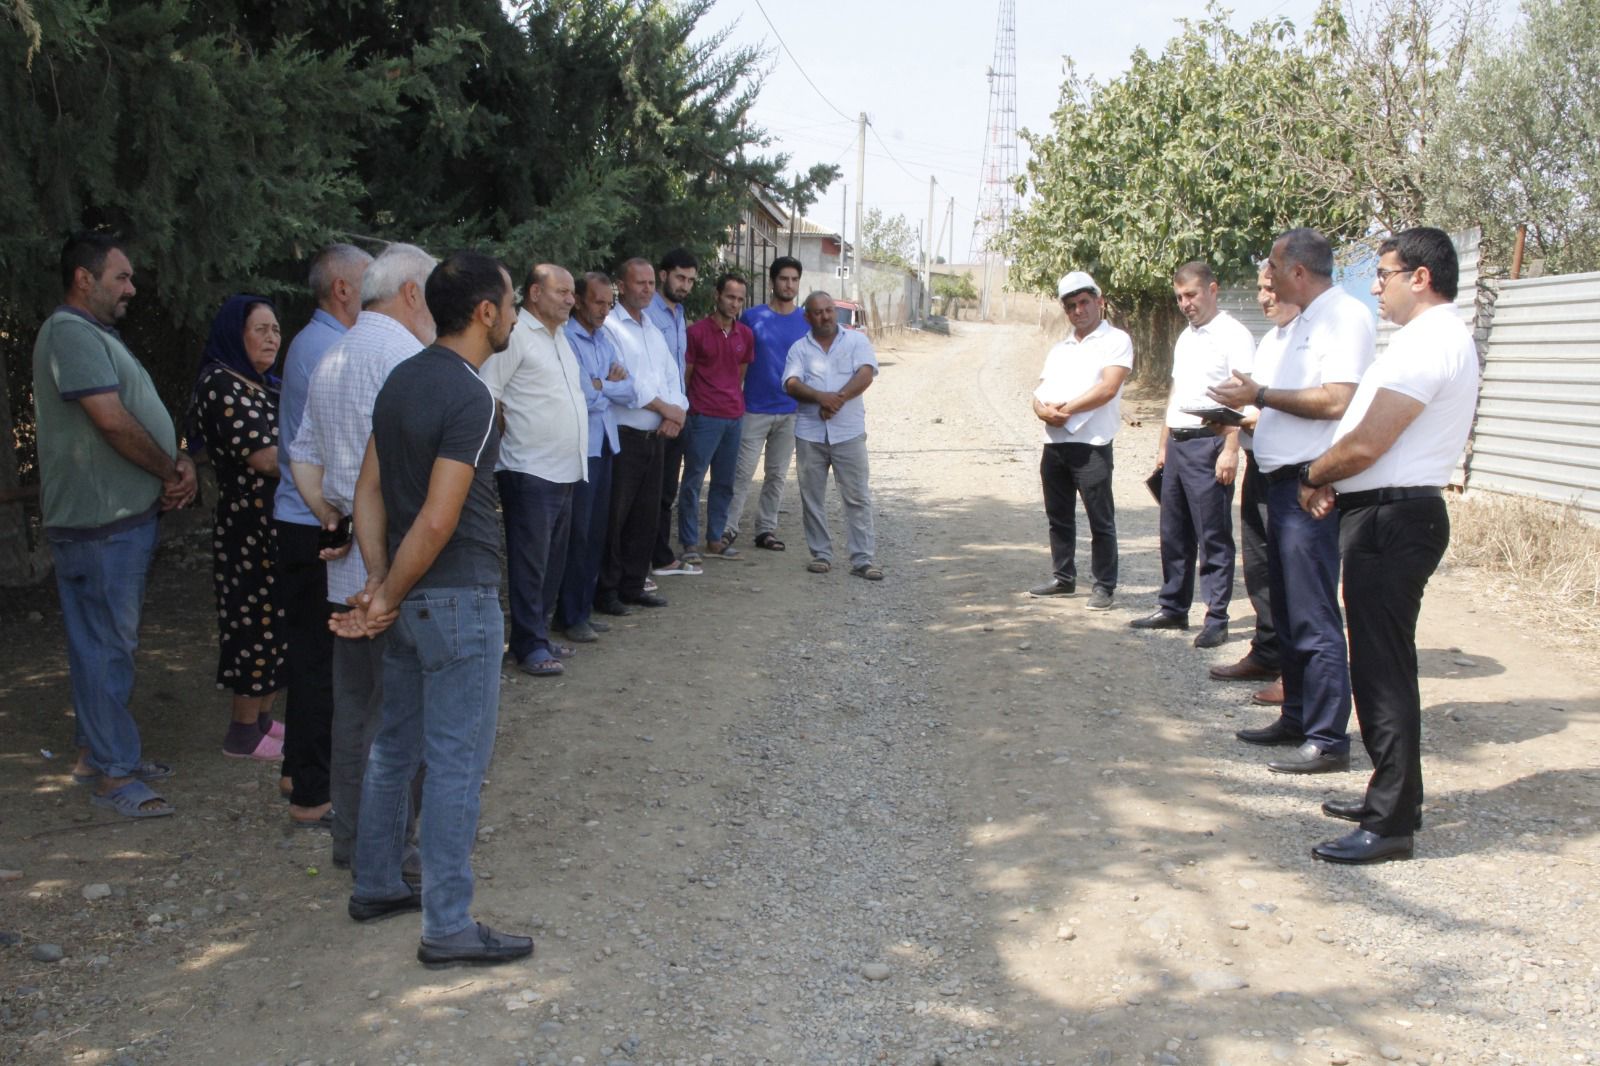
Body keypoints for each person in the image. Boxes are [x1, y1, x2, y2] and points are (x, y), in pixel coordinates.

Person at [332, 250, 533, 969]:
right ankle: (447, 924)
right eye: (512, 304)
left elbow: (367, 491)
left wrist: (380, 582)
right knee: (455, 764)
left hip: (413, 601)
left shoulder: (402, 379)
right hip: (457, 601)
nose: (516, 316)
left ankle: (376, 882)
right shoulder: (470, 397)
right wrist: (383, 593)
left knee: (396, 746)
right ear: (485, 312)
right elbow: (440, 518)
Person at [1299, 227, 1477, 864]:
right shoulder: (1432, 339)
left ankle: (1391, 821)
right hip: (1386, 512)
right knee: (1381, 664)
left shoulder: (1431, 341)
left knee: (1382, 671)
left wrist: (1314, 475)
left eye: (1384, 274)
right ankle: (1396, 796)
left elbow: (1370, 442)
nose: (1376, 288)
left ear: (1420, 278)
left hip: (1394, 518)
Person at [36, 233, 195, 818]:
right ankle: (113, 772)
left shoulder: (91, 334)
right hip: (102, 523)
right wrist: (168, 470)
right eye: (120, 277)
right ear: (85, 278)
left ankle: (95, 753)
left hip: (109, 520)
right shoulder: (71, 332)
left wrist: (176, 463)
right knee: (108, 645)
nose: (131, 288)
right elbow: (110, 420)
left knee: (96, 644)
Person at [291, 241, 437, 876]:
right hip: (400, 565)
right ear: (412, 293)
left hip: (348, 567)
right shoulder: (409, 360)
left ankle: (352, 840)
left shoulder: (332, 355)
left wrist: (332, 515)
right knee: (403, 712)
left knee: (354, 710)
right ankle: (390, 848)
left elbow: (302, 454)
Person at [1209, 228, 1374, 774]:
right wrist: (1243, 406)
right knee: (1287, 611)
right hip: (1277, 484)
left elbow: (1338, 401)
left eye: (1275, 268)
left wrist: (1258, 394)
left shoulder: (1344, 317)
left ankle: (1328, 739)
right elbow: (1281, 404)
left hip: (1308, 488)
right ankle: (1298, 717)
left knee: (1314, 616)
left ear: (1299, 271)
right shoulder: (1299, 323)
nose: (1269, 278)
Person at [274, 243, 371, 828]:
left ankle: (298, 770)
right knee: (320, 661)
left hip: (308, 517)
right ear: (342, 289)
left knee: (311, 653)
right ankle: (313, 795)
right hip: (317, 520)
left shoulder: (317, 343)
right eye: (368, 282)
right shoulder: (329, 349)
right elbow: (339, 450)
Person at [1129, 262, 1251, 648]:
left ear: (1213, 289)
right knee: (1174, 533)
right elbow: (1176, 392)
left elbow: (1243, 397)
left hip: (1210, 442)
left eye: (1191, 295)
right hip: (1179, 445)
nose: (1185, 304)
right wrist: (1163, 444)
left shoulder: (1234, 335)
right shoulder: (1186, 338)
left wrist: (1230, 450)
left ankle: (1217, 617)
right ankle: (1173, 607)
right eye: (1180, 297)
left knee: (1212, 535)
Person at [188, 294, 287, 762]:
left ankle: (263, 719)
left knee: (276, 621)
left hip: (273, 522)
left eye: (276, 330)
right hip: (247, 526)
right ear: (235, 333)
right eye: (260, 329)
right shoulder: (221, 383)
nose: (272, 338)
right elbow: (264, 458)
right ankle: (243, 732)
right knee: (253, 623)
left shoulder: (262, 383)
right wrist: (318, 461)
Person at [481, 264, 588, 677]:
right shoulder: (516, 336)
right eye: (562, 291)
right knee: (529, 563)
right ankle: (528, 644)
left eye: (572, 292)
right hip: (528, 469)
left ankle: (538, 634)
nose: (570, 299)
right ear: (535, 293)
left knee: (551, 562)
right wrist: (505, 438)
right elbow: (488, 392)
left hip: (564, 469)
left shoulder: (560, 338)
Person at [1210, 267, 1299, 703]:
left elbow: (1310, 404)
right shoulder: (1273, 341)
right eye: (1261, 288)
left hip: (1297, 473)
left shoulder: (1314, 337)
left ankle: (1296, 673)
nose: (1263, 297)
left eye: (1271, 288)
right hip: (1260, 463)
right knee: (1261, 566)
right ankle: (1267, 652)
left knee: (1293, 575)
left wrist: (1249, 415)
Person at [1027, 270, 1133, 610]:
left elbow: (1108, 388)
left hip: (1092, 444)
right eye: (1071, 305)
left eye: (1084, 302)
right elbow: (1040, 391)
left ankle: (1104, 585)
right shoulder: (1061, 348)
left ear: (1099, 301)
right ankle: (1063, 577)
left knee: (1100, 519)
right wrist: (1041, 411)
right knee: (1058, 516)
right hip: (1055, 443)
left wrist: (1065, 410)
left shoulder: (1116, 341)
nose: (1078, 310)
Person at [597, 258, 688, 614]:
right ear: (621, 286)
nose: (648, 289)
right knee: (615, 517)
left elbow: (672, 377)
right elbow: (625, 386)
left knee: (646, 516)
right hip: (625, 435)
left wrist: (677, 412)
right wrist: (668, 409)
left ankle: (634, 584)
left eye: (651, 283)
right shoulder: (610, 328)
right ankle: (607, 590)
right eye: (640, 283)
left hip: (657, 436)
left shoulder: (652, 329)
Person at [556, 271, 634, 643]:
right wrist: (607, 384)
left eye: (609, 303)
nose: (604, 310)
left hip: (605, 443)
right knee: (579, 533)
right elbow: (582, 395)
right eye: (598, 302)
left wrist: (602, 384)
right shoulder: (567, 339)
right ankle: (569, 615)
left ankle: (582, 609)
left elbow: (630, 389)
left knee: (597, 532)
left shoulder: (604, 339)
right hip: (581, 448)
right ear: (579, 301)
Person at [783, 291, 881, 580]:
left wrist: (835, 400)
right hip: (810, 434)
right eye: (818, 312)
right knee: (812, 497)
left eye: (829, 310)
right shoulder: (799, 349)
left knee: (857, 496)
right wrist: (820, 398)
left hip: (849, 433)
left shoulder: (856, 341)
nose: (825, 316)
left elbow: (865, 374)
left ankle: (863, 559)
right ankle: (821, 555)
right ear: (807, 317)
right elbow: (790, 383)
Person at [727, 256, 806, 552]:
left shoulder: (806, 320)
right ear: (773, 281)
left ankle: (766, 530)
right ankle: (727, 528)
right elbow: (736, 359)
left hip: (790, 411)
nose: (789, 285)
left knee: (776, 475)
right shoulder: (751, 317)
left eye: (794, 280)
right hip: (753, 408)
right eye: (784, 279)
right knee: (741, 473)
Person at [678, 273, 754, 562]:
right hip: (703, 417)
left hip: (733, 416)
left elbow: (740, 373)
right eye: (730, 297)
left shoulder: (745, 335)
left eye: (739, 299)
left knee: (724, 482)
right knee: (693, 480)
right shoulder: (696, 333)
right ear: (717, 295)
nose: (734, 303)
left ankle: (715, 538)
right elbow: (687, 375)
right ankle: (688, 542)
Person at [643, 248, 700, 576]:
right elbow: (646, 372)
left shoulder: (678, 313)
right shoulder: (647, 314)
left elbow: (677, 370)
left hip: (676, 413)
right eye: (680, 278)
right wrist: (667, 412)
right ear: (663, 275)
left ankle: (660, 556)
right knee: (648, 495)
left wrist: (679, 411)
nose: (685, 285)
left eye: (690, 280)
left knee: (666, 492)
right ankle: (646, 561)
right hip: (655, 416)